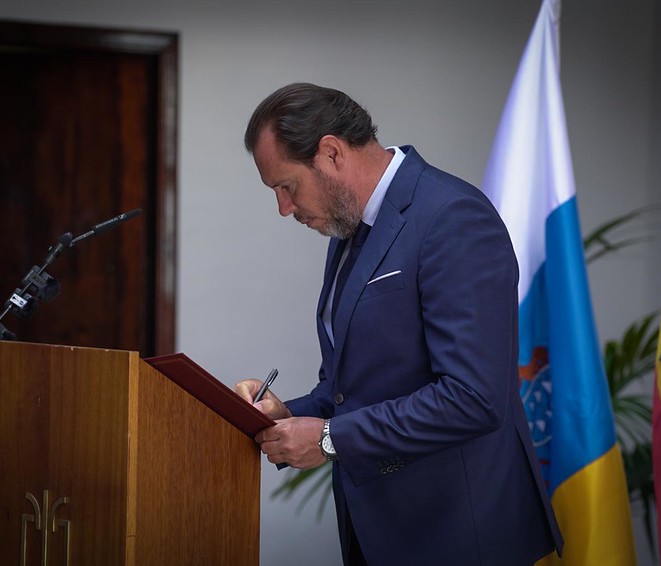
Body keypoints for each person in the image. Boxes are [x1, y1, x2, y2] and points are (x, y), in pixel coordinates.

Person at [235, 83, 563, 565]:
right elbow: (354, 386)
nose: (284, 208)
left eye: (286, 186)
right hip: (381, 531)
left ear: (330, 152)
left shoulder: (452, 217)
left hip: (460, 535)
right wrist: (287, 415)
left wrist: (328, 438)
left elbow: (473, 399)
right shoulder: (348, 229)